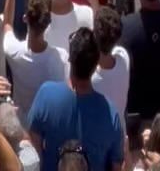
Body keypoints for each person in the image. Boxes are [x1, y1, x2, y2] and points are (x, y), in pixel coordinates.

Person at [28, 27, 124, 171]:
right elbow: (117, 166)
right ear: (96, 63)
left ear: (70, 58)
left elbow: (34, 153)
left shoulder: (46, 95)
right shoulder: (111, 114)